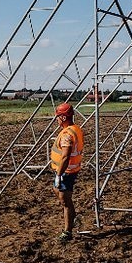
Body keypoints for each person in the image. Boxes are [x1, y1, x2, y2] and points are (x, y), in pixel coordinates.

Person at [50, 102, 84, 242]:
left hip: (66, 171)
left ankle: (67, 231)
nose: (57, 119)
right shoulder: (75, 128)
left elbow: (65, 156)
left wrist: (59, 175)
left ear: (63, 117)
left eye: (58, 117)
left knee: (65, 201)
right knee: (59, 193)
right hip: (66, 170)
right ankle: (72, 219)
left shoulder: (67, 134)